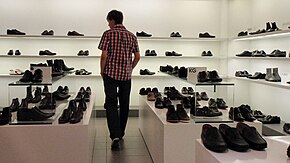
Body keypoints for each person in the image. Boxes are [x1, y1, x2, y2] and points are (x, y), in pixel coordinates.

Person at [98, 10, 140, 150]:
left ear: (112, 20)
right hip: (126, 76)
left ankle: (114, 135)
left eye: (108, 21)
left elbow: (104, 55)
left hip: (110, 74)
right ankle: (121, 132)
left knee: (111, 103)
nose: (108, 24)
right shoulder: (131, 36)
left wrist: (102, 71)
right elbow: (137, 56)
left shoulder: (108, 34)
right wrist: (130, 68)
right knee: (124, 104)